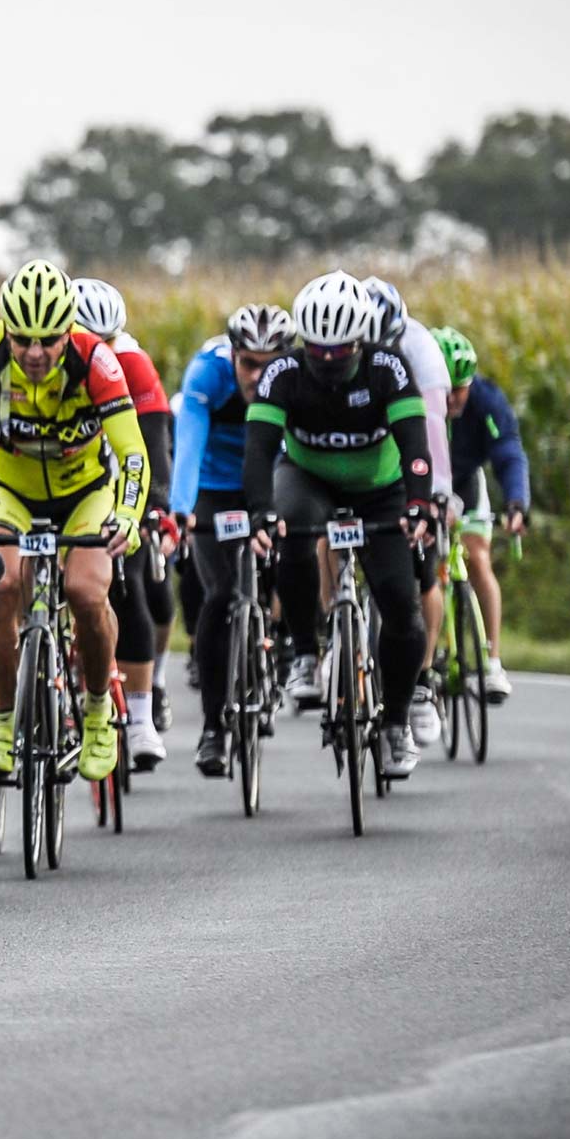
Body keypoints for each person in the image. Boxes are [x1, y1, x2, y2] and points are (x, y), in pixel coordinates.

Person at [245, 272, 440, 779]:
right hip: (308, 477)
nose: (329, 362)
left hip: (381, 487)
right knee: (292, 529)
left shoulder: (388, 368)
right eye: (318, 351)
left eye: (341, 352)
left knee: (402, 604)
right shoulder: (282, 371)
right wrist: (260, 511)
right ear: (302, 343)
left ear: (362, 341)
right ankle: (306, 655)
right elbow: (259, 449)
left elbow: (416, 448)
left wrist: (419, 504)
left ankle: (396, 723)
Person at [0, 261, 147, 792]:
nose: (35, 353)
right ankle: (1, 725)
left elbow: (132, 452)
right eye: (23, 340)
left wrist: (129, 515)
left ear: (69, 332)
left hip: (83, 495)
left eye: (49, 340)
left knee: (86, 593)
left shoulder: (97, 360)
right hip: (12, 492)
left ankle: (96, 715)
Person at [171, 303, 296, 776]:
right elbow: (188, 443)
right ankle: (212, 727)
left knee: (292, 550)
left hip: (271, 478)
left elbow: (296, 447)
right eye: (248, 364)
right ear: (233, 356)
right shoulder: (207, 373)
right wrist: (181, 509)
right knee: (220, 596)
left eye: (268, 366)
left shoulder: (293, 380)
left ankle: (281, 643)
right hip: (215, 490)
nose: (258, 376)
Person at [72, 276, 177, 770]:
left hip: (118, 482)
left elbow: (152, 443)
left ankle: (139, 714)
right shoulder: (45, 359)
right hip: (65, 479)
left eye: (107, 341)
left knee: (131, 585)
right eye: (88, 340)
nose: (100, 352)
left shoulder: (131, 363)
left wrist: (154, 509)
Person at [363, 276, 456, 758]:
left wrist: (436, 496)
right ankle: (329, 629)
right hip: (356, 453)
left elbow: (432, 428)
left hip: (405, 457)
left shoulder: (419, 349)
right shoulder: (336, 349)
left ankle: (419, 680)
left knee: (423, 574)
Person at [435, 326, 528, 703]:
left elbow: (508, 451)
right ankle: (431, 656)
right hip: (425, 487)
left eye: (462, 387)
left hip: (467, 485)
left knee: (477, 558)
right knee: (429, 572)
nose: (454, 397)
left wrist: (516, 503)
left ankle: (491, 662)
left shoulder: (486, 399)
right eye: (446, 388)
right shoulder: (413, 399)